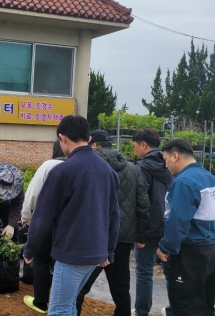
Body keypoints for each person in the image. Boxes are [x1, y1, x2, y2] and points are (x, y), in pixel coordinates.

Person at [23, 115, 120, 316]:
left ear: (63, 137)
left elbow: (42, 216)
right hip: (95, 253)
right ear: (88, 138)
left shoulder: (64, 171)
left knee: (59, 309)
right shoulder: (107, 171)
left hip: (72, 252)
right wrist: (108, 251)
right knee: (68, 304)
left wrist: (30, 249)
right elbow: (114, 215)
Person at [76, 130, 150, 316]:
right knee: (121, 288)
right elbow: (143, 205)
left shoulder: (87, 166)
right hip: (122, 238)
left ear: (93, 145)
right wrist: (141, 235)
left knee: (79, 286)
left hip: (92, 237)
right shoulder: (132, 169)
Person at [156, 139, 215, 315]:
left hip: (192, 252)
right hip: (213, 246)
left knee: (185, 304)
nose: (166, 165)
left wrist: (165, 247)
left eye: (166, 159)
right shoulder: (207, 177)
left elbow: (177, 220)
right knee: (204, 300)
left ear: (175, 156)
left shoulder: (184, 181)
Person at [131, 129, 173, 316]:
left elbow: (140, 201)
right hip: (170, 227)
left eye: (135, 147)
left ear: (143, 145)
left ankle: (141, 312)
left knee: (144, 272)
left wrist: (139, 231)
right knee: (173, 273)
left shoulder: (142, 167)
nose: (135, 152)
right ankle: (175, 309)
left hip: (148, 229)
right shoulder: (171, 164)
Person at [22, 140, 66, 313]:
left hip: (47, 222)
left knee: (41, 260)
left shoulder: (49, 165)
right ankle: (59, 302)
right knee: (61, 264)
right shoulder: (77, 166)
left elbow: (33, 193)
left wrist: (26, 217)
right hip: (68, 226)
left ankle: (41, 302)